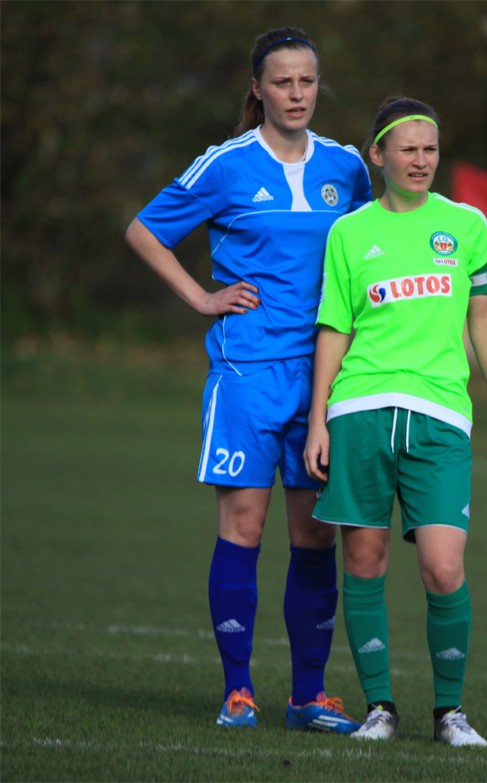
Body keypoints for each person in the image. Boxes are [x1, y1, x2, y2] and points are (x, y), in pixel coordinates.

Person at [124, 27, 372, 732]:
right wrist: (202, 298)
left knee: (314, 534)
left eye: (307, 81)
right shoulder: (226, 164)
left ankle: (308, 696)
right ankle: (239, 691)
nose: (297, 94)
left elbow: (367, 256)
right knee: (244, 523)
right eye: (282, 82)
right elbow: (144, 231)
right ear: (257, 88)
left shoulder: (348, 168)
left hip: (324, 379)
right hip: (246, 374)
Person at [304, 96, 487, 748]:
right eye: (408, 149)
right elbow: (335, 327)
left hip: (441, 419)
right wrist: (318, 419)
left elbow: (482, 316)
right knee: (363, 561)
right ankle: (380, 708)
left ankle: (450, 713)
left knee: (443, 568)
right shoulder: (349, 233)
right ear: (379, 155)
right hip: (359, 411)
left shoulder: (466, 226)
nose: (421, 161)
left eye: (430, 149)